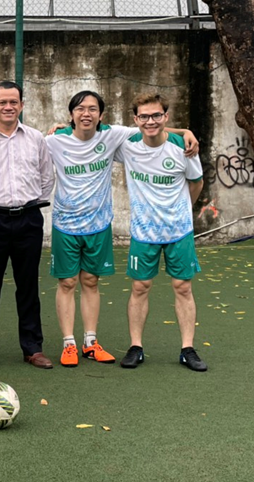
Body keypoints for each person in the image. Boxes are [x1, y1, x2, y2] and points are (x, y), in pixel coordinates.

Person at [45, 91, 198, 368]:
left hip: (103, 225)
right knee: (70, 283)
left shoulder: (114, 136)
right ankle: (71, 344)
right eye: (80, 109)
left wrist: (186, 130)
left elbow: (151, 126)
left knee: (93, 282)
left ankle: (91, 343)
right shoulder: (56, 141)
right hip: (66, 224)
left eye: (93, 109)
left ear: (102, 116)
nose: (86, 113)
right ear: (71, 115)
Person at [0, 80, 54, 371]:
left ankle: (32, 347)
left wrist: (28, 205)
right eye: (2, 102)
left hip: (29, 218)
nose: (8, 107)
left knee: (28, 285)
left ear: (22, 105)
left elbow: (46, 177)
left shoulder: (36, 138)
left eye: (13, 102)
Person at [114, 93, 206, 371]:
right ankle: (136, 347)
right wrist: (63, 128)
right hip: (143, 232)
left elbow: (197, 182)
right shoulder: (127, 145)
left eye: (156, 115)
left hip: (179, 232)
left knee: (183, 287)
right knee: (140, 287)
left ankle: (187, 348)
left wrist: (182, 211)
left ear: (166, 117)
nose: (150, 121)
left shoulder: (183, 147)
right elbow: (91, 129)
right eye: (144, 116)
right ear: (135, 120)